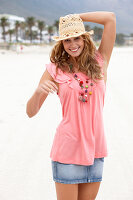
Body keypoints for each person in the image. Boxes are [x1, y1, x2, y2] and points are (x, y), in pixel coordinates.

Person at [26, 12, 116, 200]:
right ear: (61, 43)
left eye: (77, 38)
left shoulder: (100, 61)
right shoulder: (54, 69)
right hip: (68, 149)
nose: (73, 44)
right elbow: (31, 112)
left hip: (95, 148)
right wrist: (38, 91)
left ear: (85, 39)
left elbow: (110, 18)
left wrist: (76, 17)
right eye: (67, 40)